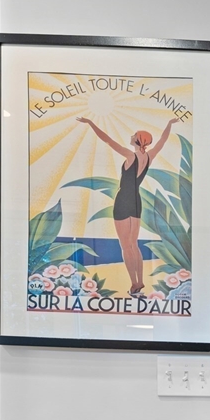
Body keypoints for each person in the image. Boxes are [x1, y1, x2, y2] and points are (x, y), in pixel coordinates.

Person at [76, 116, 177, 296]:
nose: (130, 136)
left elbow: (107, 140)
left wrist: (91, 123)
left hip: (123, 200)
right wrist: (168, 124)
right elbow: (162, 141)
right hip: (136, 201)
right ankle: (140, 282)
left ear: (138, 140)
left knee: (126, 245)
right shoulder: (149, 156)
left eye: (134, 135)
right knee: (134, 244)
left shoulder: (131, 156)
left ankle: (134, 285)